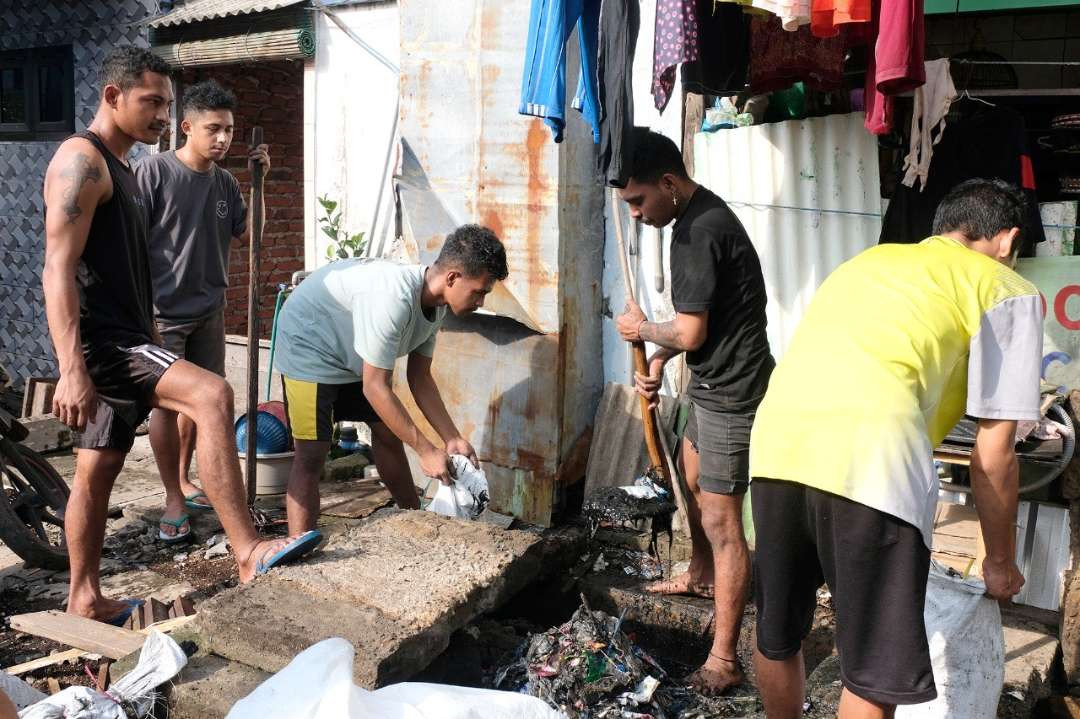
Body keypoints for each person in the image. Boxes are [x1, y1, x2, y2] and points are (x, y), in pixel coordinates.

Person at [41, 47, 319, 626]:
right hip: (108, 341)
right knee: (213, 395)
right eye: (152, 103)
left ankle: (83, 597)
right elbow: (57, 267)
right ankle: (248, 552)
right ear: (113, 96)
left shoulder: (124, 168)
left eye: (168, 105)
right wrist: (72, 367)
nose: (162, 117)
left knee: (96, 469)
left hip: (124, 335)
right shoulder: (82, 161)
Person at [749, 178, 1040, 718]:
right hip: (871, 460)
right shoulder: (1006, 286)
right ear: (1007, 240)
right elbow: (994, 450)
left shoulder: (870, 261)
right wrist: (1000, 562)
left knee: (777, 634)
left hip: (775, 445)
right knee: (875, 670)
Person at [614, 128, 775, 694]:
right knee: (689, 475)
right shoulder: (695, 218)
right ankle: (701, 574)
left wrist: (643, 332)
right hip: (711, 380)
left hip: (734, 391)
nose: (635, 214)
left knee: (722, 520)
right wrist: (658, 356)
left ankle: (725, 658)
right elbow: (695, 330)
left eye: (638, 200)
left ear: (668, 182)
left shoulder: (697, 232)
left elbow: (690, 327)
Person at [273, 225, 507, 538]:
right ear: (452, 278)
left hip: (353, 351)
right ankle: (298, 547)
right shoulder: (394, 297)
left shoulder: (436, 305)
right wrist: (425, 450)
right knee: (312, 453)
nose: (480, 301)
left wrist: (451, 438)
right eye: (479, 291)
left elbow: (420, 377)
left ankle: (415, 521)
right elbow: (375, 387)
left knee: (387, 434)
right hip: (309, 343)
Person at [135, 79, 268, 544]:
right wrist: (141, 312)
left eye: (229, 130)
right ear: (186, 126)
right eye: (214, 129)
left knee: (202, 405)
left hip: (210, 308)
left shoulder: (228, 182)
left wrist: (260, 183)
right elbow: (130, 245)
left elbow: (246, 236)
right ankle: (173, 495)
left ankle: (190, 480)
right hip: (162, 315)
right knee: (166, 409)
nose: (223, 139)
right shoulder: (153, 173)